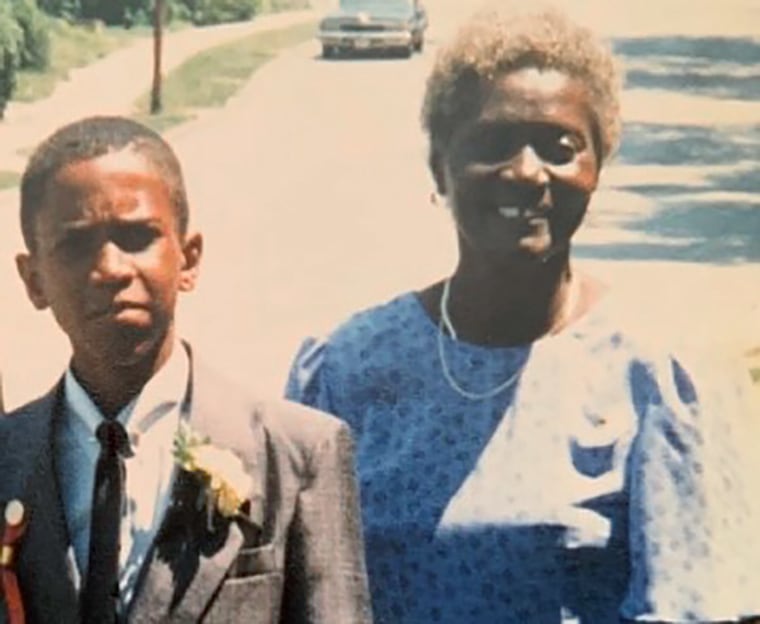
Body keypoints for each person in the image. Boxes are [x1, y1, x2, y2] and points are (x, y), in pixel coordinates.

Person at [286, 6, 760, 623]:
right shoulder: (348, 366)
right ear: (440, 167)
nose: (528, 173)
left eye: (560, 148)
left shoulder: (658, 376)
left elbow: (696, 606)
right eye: (492, 145)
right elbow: (306, 594)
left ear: (596, 169)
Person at [0, 116, 372, 624]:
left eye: (137, 236)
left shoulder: (295, 456)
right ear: (33, 279)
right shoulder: (8, 457)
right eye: (76, 244)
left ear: (189, 258)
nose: (111, 267)